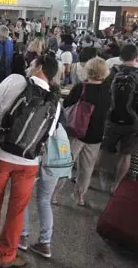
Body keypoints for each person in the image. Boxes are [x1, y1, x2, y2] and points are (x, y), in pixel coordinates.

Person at [0, 54, 60, 268]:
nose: (29, 66)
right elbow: (48, 135)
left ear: (39, 67)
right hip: (29, 163)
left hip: (0, 154)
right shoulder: (54, 100)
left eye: (32, 63)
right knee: (17, 209)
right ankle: (7, 254)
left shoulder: (15, 80)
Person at [58, 57, 110, 206]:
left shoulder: (81, 87)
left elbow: (67, 104)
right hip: (96, 135)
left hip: (77, 132)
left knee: (66, 164)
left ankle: (54, 194)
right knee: (87, 169)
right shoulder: (107, 89)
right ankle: (79, 196)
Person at [101, 43, 138, 192]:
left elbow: (104, 95)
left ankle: (101, 178)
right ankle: (116, 184)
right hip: (133, 122)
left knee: (105, 150)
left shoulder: (111, 72)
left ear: (121, 56)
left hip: (111, 118)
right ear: (136, 57)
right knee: (126, 154)